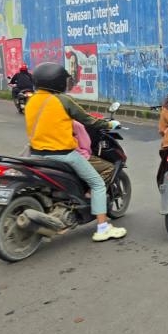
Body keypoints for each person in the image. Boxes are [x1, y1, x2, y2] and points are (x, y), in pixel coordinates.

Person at [25, 62, 125, 242]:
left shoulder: (31, 100)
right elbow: (87, 120)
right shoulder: (62, 100)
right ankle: (102, 227)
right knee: (97, 184)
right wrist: (109, 124)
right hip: (63, 154)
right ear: (57, 81)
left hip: (36, 154)